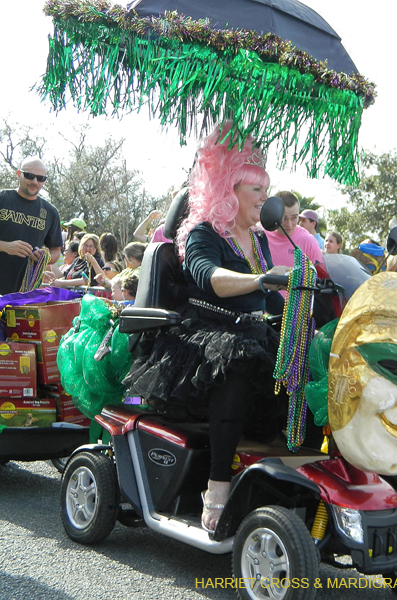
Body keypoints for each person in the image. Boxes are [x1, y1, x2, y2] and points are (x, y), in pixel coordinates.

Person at [122, 125, 286, 533]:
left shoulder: (261, 240)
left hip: (249, 332)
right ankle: (217, 486)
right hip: (202, 338)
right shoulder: (202, 233)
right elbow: (209, 277)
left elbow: (271, 302)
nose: (265, 200)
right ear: (230, 191)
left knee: (303, 357)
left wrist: (304, 310)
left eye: (265, 192)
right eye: (257, 191)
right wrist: (261, 280)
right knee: (237, 365)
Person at [0, 157, 61, 294]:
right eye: (29, 176)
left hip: (24, 292)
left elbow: (55, 251)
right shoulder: (2, 199)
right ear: (18, 174)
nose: (34, 182)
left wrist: (43, 257)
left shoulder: (50, 212)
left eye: (40, 178)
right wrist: (5, 246)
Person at [265, 192, 323, 269]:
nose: (289, 224)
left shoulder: (308, 241)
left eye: (294, 218)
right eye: (284, 218)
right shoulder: (261, 236)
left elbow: (321, 275)